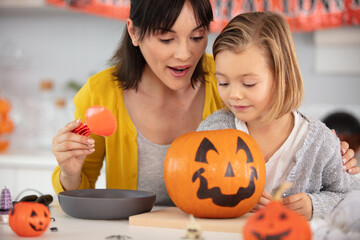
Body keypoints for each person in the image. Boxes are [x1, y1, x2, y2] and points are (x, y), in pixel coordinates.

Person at [51, 0, 358, 206]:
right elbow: (79, 194)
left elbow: (281, 126)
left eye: (197, 37)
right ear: (134, 32)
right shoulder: (101, 91)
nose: (184, 54)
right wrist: (70, 171)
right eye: (167, 39)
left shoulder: (225, 80)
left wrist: (330, 153)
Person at [196, 11, 360, 220]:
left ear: (282, 76)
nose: (234, 95)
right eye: (224, 83)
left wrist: (314, 205)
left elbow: (352, 197)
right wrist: (231, 201)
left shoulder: (320, 142)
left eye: (248, 83)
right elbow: (194, 189)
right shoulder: (212, 131)